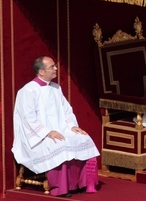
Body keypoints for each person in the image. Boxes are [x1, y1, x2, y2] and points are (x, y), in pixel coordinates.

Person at [12, 56, 100, 197]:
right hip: (37, 136)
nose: (56, 68)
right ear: (41, 72)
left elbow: (66, 110)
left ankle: (85, 183)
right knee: (59, 144)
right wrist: (47, 132)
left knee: (84, 138)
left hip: (61, 129)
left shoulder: (56, 88)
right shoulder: (27, 91)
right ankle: (62, 187)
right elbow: (28, 119)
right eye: (52, 67)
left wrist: (72, 126)